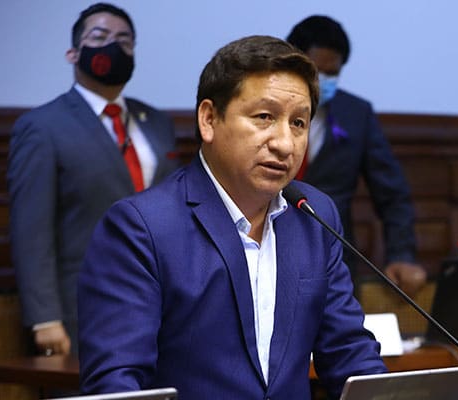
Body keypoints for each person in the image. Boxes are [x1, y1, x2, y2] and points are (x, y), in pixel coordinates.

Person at [78, 35, 387, 399]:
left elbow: (350, 353)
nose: (285, 143)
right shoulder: (141, 227)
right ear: (209, 119)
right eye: (265, 117)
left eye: (299, 123)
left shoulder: (314, 216)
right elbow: (117, 383)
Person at [7, 2, 179, 357]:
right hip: (83, 304)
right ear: (73, 53)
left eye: (124, 41)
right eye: (100, 37)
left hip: (161, 304)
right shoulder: (42, 126)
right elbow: (31, 229)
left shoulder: (157, 122)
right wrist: (44, 317)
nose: (114, 47)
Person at [286, 15, 426, 297]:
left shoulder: (356, 115)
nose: (323, 81)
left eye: (332, 74)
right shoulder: (263, 110)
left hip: (334, 263)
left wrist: (402, 254)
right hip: (269, 253)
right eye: (316, 71)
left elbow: (392, 194)